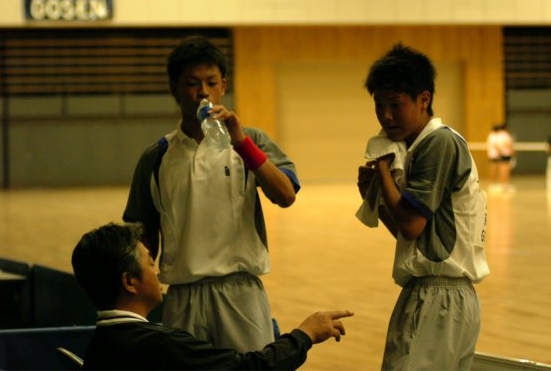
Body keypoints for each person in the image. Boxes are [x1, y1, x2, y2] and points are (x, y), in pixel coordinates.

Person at [123, 35, 300, 352]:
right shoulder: (157, 156)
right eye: (192, 83)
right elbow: (142, 236)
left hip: (241, 292)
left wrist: (241, 143)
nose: (203, 92)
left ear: (223, 86)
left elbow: (286, 195)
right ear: (175, 88)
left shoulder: (251, 140)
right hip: (182, 295)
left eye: (211, 82)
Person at [357, 43, 490, 371]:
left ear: (424, 99)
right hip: (447, 299)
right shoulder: (421, 146)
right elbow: (414, 237)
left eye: (396, 104)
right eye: (379, 105)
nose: (386, 116)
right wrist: (376, 197)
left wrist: (383, 168)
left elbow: (411, 226)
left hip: (436, 299)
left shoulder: (438, 142)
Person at [72, 223, 354, 370]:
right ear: (129, 282)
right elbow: (250, 369)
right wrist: (306, 334)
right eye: (150, 263)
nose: (157, 272)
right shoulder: (161, 346)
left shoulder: (101, 345)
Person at [486, 123, 516, 192]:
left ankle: (495, 184)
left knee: (497, 169)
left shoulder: (493, 135)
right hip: (504, 154)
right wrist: (510, 151)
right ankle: (504, 185)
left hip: (495, 154)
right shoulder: (504, 135)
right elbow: (507, 144)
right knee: (504, 170)